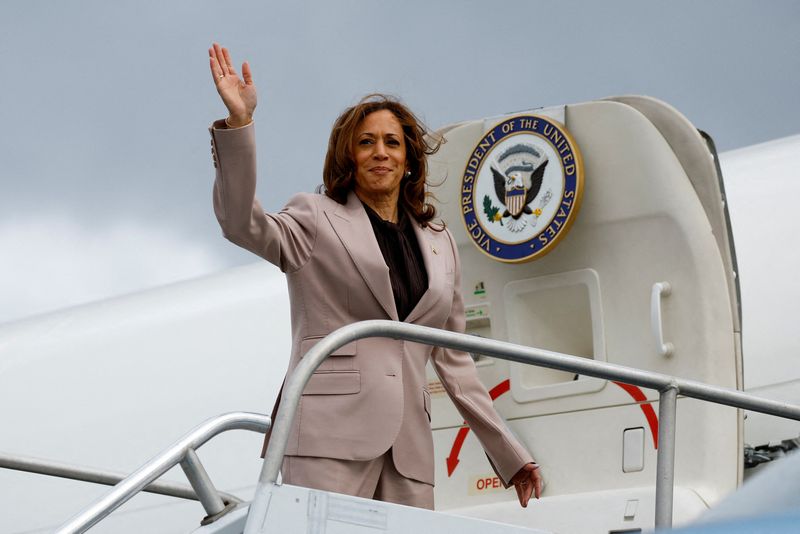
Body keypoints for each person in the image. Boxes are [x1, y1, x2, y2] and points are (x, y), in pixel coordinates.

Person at [207, 42, 543, 510]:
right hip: (329, 436)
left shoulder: (439, 240)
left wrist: (509, 454)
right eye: (366, 142)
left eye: (392, 142)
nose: (379, 152)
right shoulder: (315, 217)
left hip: (409, 451)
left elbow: (456, 362)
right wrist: (240, 123)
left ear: (408, 158)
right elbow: (241, 223)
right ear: (349, 156)